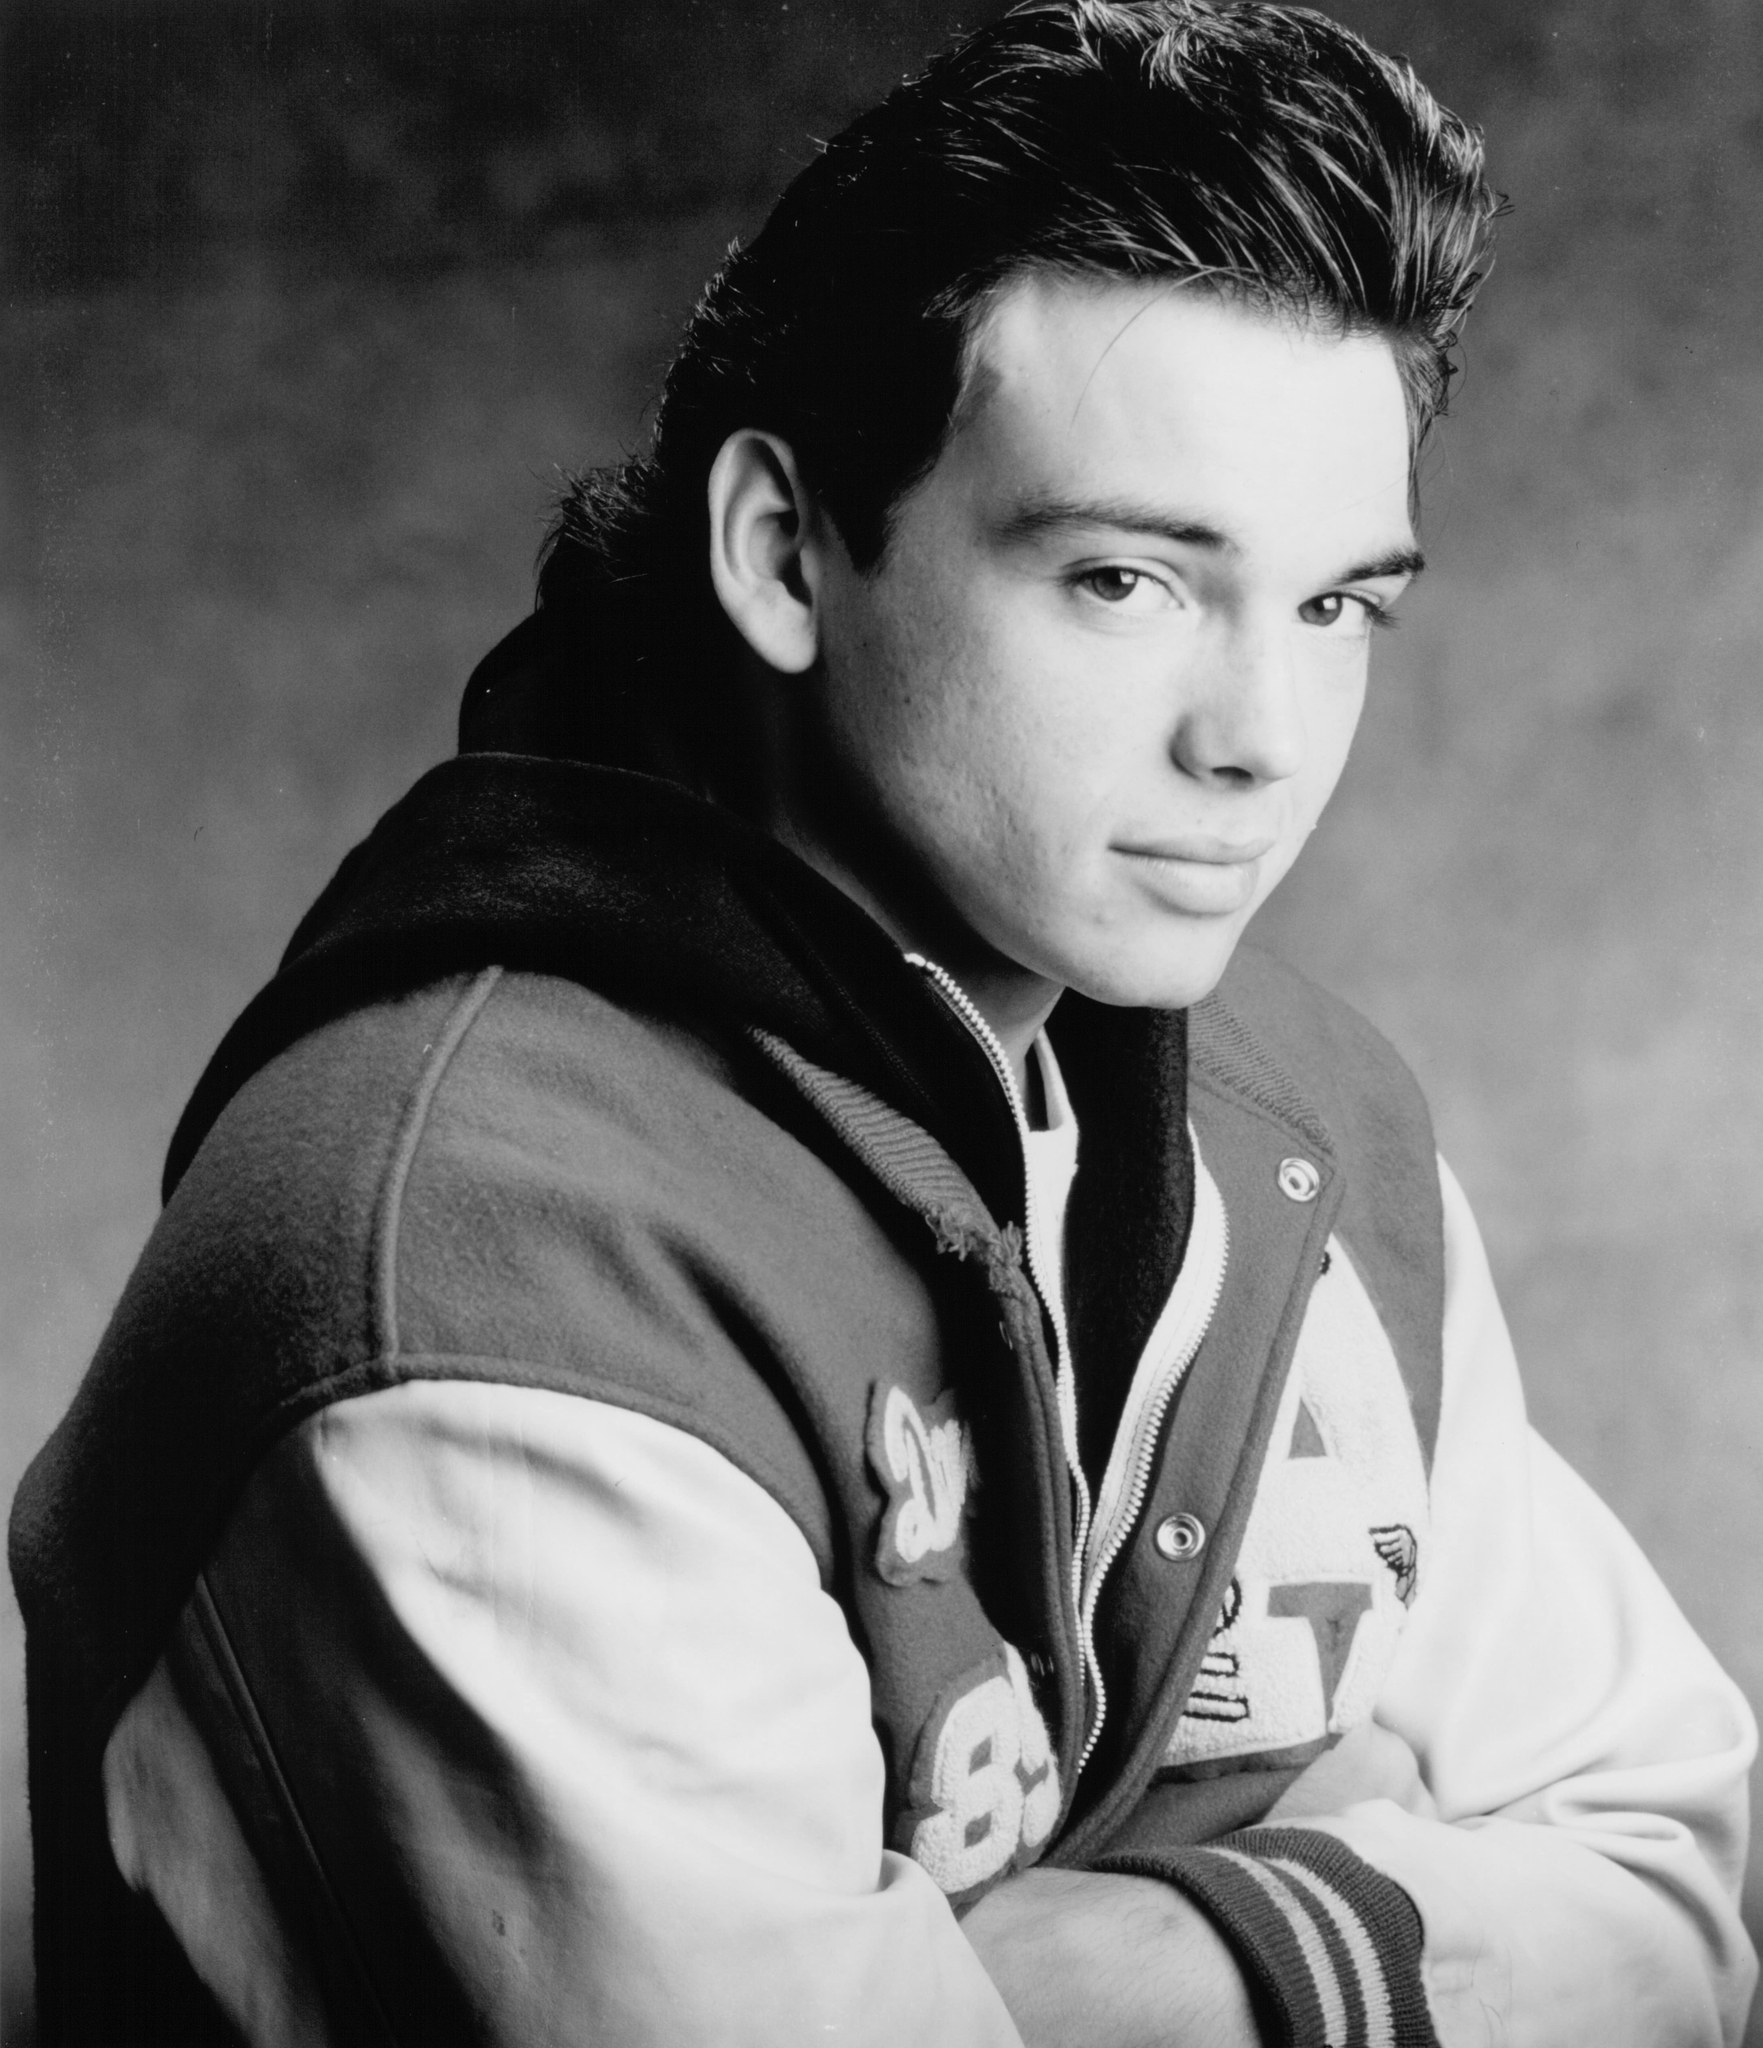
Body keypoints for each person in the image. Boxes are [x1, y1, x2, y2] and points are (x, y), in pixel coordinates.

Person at [11, 2, 1756, 2043]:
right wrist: (1394, 1874)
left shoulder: (1304, 1132)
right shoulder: (474, 1278)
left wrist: (1203, 1956)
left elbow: (1688, 1890)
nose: (1262, 741)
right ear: (784, 554)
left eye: (1334, 606)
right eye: (1124, 581)